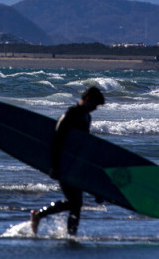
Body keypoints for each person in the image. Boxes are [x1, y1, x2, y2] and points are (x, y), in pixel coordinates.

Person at [30, 86, 105, 236]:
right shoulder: (70, 115)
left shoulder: (86, 117)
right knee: (75, 202)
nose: (95, 109)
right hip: (63, 163)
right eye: (94, 105)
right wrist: (54, 166)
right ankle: (39, 215)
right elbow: (57, 140)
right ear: (87, 100)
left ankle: (70, 234)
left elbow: (83, 144)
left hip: (76, 164)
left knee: (76, 204)